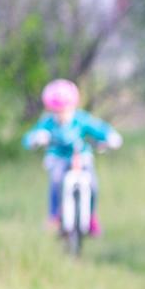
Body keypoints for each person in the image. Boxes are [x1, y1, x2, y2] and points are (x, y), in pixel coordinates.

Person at [22, 79, 122, 235]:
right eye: (57, 111)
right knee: (56, 181)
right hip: (57, 158)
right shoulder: (47, 122)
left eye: (65, 109)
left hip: (81, 156)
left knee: (92, 184)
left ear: (73, 106)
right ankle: (54, 216)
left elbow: (99, 129)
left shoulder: (81, 119)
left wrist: (111, 137)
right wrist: (36, 138)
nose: (61, 114)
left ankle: (90, 217)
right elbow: (29, 138)